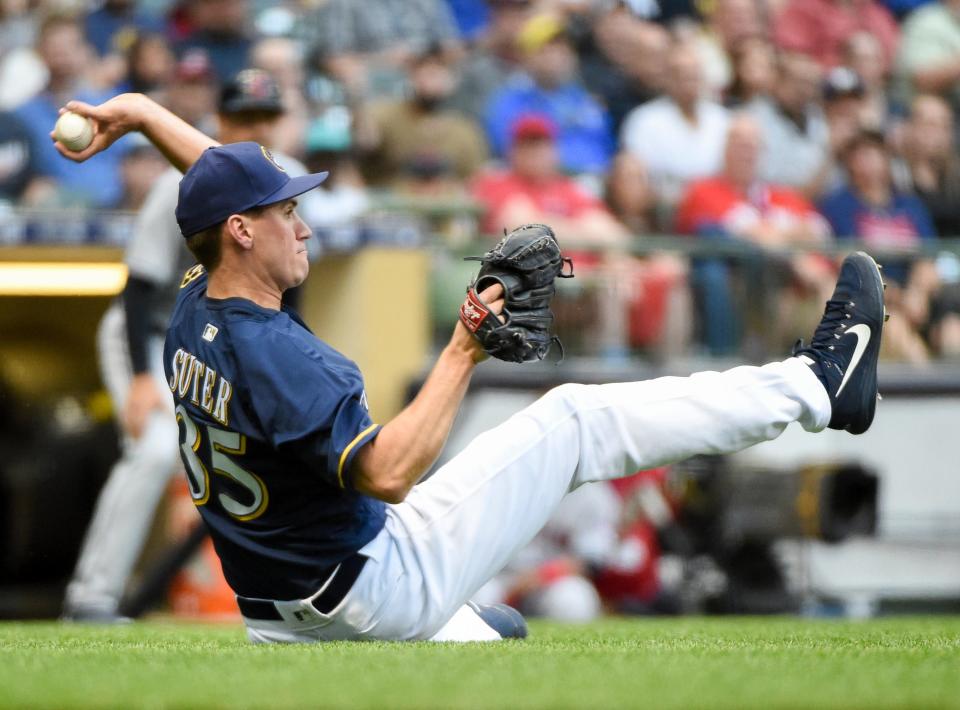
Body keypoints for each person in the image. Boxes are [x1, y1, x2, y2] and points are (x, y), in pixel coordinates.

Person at [55, 91, 887, 643]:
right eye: (287, 211)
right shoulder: (282, 352)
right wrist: (463, 349)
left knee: (495, 635)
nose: (302, 225)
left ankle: (472, 636)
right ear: (243, 231)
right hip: (372, 582)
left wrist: (140, 111)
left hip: (280, 611)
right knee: (576, 418)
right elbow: (387, 472)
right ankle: (817, 383)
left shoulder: (196, 305)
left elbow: (213, 184)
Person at [62, 70, 321, 622]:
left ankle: (288, 594)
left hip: (229, 336)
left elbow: (289, 287)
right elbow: (138, 289)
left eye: (266, 118)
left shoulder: (290, 178)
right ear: (220, 121)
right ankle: (91, 597)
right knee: (157, 449)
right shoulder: (175, 186)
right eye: (244, 118)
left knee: (264, 456)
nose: (257, 128)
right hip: (153, 331)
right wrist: (137, 379)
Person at [620, 42, 730, 206]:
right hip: (663, 208)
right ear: (667, 78)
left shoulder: (723, 120)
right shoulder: (644, 120)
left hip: (718, 207)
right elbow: (637, 178)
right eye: (681, 75)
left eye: (694, 75)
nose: (688, 82)